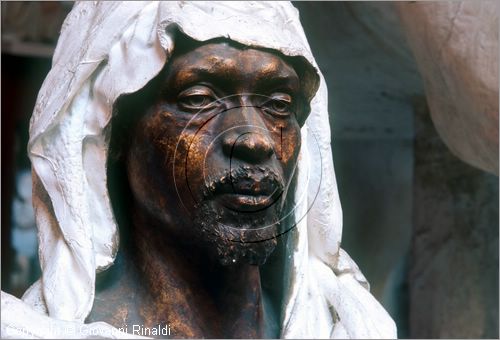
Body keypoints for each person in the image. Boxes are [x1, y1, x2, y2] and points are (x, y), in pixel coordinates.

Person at [1, 2, 396, 338]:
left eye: (278, 103)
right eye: (199, 99)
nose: (256, 140)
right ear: (113, 134)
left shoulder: (347, 326)